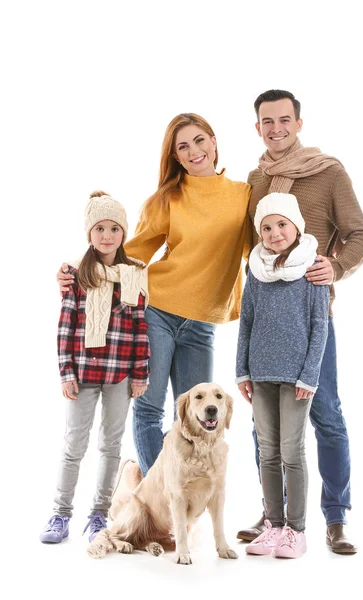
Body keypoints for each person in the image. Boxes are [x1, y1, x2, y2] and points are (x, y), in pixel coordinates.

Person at [57, 114, 251, 477]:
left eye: (198, 140)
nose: (194, 151)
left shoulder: (242, 195)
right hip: (157, 311)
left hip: (202, 323)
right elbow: (129, 254)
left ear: (213, 140)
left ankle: (179, 501)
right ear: (175, 156)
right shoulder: (168, 198)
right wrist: (74, 266)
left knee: (196, 418)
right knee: (149, 410)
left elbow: (260, 249)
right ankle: (157, 498)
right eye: (183, 146)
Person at [236, 89, 363, 554]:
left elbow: (360, 234)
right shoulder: (256, 179)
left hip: (312, 316)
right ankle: (275, 515)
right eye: (267, 122)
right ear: (257, 127)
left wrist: (335, 266)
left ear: (298, 122)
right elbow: (246, 244)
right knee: (265, 428)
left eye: (284, 119)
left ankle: (335, 517)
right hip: (265, 323)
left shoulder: (328, 172)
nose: (276, 128)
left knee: (326, 414)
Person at [40, 191, 150, 544]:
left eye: (114, 228)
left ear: (123, 233)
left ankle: (99, 514)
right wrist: (66, 372)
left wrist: (140, 372)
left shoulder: (133, 274)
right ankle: (60, 513)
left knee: (111, 446)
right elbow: (66, 324)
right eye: (99, 228)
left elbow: (138, 327)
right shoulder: (77, 274)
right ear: (89, 233)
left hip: (119, 374)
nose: (107, 236)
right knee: (74, 445)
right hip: (83, 374)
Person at [237, 192, 329, 558]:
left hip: (296, 379)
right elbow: (246, 322)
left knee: (292, 451)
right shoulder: (256, 269)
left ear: (296, 227)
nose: (274, 233)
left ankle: (297, 530)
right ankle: (273, 527)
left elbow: (319, 326)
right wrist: (242, 370)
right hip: (260, 374)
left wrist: (309, 376)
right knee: (267, 452)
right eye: (266, 227)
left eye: (281, 225)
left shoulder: (312, 269)